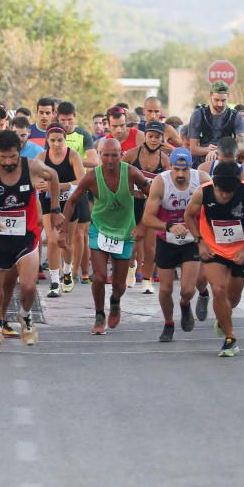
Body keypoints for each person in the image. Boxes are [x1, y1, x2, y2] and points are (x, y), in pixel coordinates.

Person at [0, 131, 62, 353]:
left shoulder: (32, 167)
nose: (8, 162)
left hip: (26, 236)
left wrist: (54, 209)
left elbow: (53, 176)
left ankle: (25, 316)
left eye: (12, 157)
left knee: (28, 286)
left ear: (19, 153)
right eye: (3, 157)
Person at [65, 138, 149, 335]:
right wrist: (63, 229)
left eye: (114, 155)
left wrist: (143, 224)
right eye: (106, 155)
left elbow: (152, 194)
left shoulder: (130, 172)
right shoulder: (92, 177)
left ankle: (115, 301)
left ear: (121, 155)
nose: (110, 160)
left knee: (119, 284)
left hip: (125, 232)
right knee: (100, 277)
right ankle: (99, 314)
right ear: (99, 155)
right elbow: (72, 200)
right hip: (100, 230)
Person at [183, 161, 244, 357]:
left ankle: (223, 318)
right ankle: (230, 339)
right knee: (219, 290)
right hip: (213, 248)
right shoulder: (202, 192)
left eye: (230, 192)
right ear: (214, 185)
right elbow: (188, 215)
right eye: (222, 192)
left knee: (233, 299)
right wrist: (200, 242)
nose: (225, 196)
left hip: (240, 249)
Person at [140, 147, 209, 342]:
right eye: (176, 170)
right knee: (165, 289)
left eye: (184, 170)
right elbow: (147, 218)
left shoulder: (201, 179)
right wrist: (168, 226)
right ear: (170, 167)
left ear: (191, 168)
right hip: (167, 240)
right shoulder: (161, 182)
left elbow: (214, 206)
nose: (180, 174)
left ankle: (186, 304)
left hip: (191, 240)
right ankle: (168, 323)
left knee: (187, 289)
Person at [36, 124, 86, 297]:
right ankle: (55, 282)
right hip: (48, 203)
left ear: (65, 140)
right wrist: (39, 184)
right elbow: (33, 178)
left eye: (60, 140)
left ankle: (67, 271)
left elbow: (82, 182)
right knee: (52, 241)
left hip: (70, 203)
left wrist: (56, 186)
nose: (56, 144)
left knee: (65, 242)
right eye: (52, 141)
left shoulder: (73, 155)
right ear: (47, 141)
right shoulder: (42, 157)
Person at [122, 120, 170, 294]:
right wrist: (130, 192)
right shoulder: (131, 155)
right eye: (150, 136)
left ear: (162, 138)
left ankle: (147, 280)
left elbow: (168, 183)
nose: (153, 140)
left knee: (150, 246)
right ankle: (131, 266)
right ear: (145, 136)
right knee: (133, 243)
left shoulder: (164, 160)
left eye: (157, 137)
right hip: (133, 202)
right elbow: (120, 175)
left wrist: (157, 195)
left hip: (152, 205)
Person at [188, 81, 244, 166]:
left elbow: (243, 146)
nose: (220, 104)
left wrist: (220, 151)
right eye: (216, 100)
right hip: (203, 162)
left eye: (223, 100)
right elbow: (193, 149)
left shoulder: (235, 116)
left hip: (227, 161)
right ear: (210, 95)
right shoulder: (199, 114)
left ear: (228, 96)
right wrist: (207, 150)